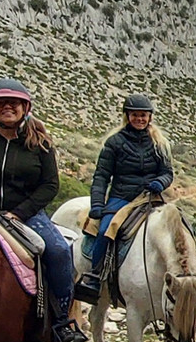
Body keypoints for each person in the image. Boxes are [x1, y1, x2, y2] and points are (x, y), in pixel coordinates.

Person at [0, 78, 88, 342]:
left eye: (14, 102)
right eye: (0, 102)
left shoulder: (40, 144)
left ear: (25, 107)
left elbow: (50, 185)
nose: (7, 107)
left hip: (25, 212)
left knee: (58, 251)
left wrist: (19, 212)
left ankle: (61, 324)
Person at [74, 94, 174, 304]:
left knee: (179, 228)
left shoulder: (159, 143)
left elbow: (167, 172)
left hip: (150, 197)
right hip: (122, 197)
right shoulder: (114, 142)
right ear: (127, 116)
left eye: (143, 115)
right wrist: (98, 204)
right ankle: (94, 277)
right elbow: (101, 176)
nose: (139, 119)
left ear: (150, 117)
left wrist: (160, 182)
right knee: (105, 230)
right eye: (135, 115)